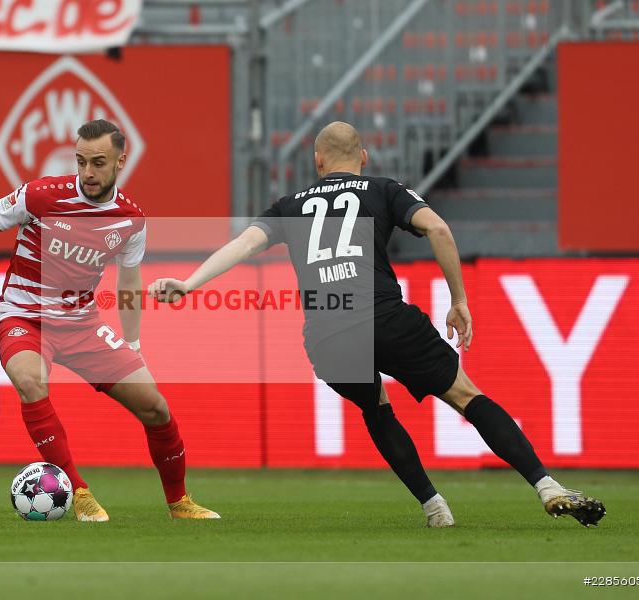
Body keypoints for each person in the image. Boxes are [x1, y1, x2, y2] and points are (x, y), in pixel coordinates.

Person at [148, 121, 605, 528]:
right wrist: (459, 299)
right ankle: (547, 487)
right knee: (467, 397)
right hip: (385, 317)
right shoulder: (384, 188)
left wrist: (189, 283)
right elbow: (440, 230)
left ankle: (433, 506)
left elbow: (244, 245)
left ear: (318, 159)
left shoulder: (290, 204)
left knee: (377, 407)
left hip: (326, 335)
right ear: (363, 158)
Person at [0, 119, 219, 521]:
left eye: (98, 163)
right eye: (81, 161)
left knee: (156, 408)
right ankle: (78, 492)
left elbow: (128, 280)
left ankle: (179, 503)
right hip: (23, 315)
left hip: (81, 324)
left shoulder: (130, 219)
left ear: (120, 162)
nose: (87, 172)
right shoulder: (41, 195)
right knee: (31, 381)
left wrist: (132, 345)